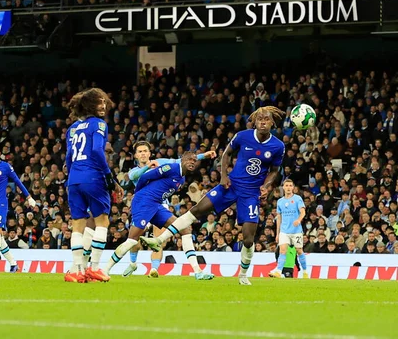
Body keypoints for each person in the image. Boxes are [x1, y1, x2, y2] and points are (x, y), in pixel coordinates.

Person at [141, 106, 285, 285]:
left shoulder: (278, 146)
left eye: (267, 119)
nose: (263, 122)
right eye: (260, 119)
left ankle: (243, 275)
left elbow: (274, 170)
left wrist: (267, 185)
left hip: (250, 193)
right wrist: (224, 175)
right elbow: (226, 154)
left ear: (272, 122)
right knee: (197, 210)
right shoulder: (243, 136)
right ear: (255, 121)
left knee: (248, 239)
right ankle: (159, 239)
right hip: (231, 184)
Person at [123, 141, 216, 280]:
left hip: (161, 204)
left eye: (145, 151)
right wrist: (147, 167)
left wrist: (204, 155)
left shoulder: (161, 162)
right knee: (134, 240)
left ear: (149, 153)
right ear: (136, 155)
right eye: (140, 151)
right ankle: (132, 263)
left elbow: (182, 161)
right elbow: (135, 177)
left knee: (164, 236)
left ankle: (155, 269)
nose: (143, 153)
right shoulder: (133, 171)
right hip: (142, 205)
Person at [64, 88, 123, 283]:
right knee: (102, 221)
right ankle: (95, 268)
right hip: (93, 177)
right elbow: (98, 151)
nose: (103, 106)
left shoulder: (72, 128)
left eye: (105, 102)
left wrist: (72, 178)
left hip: (74, 179)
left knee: (78, 226)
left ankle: (77, 271)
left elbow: (68, 158)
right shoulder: (98, 124)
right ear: (90, 105)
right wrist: (108, 176)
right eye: (99, 103)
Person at [105, 153, 197, 275]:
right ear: (183, 159)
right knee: (132, 240)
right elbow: (145, 177)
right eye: (189, 159)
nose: (192, 162)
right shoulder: (171, 168)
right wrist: (138, 195)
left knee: (184, 230)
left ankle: (198, 271)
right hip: (144, 201)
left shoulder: (182, 178)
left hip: (157, 205)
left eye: (194, 160)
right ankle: (105, 270)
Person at [0, 143, 36, 273]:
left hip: (1, 203)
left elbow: (17, 181)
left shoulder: (5, 166)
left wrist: (29, 197)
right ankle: (13, 264)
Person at [269, 179, 308, 279]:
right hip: (284, 231)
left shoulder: (297, 199)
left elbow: (303, 212)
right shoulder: (280, 201)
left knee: (299, 251)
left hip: (296, 231)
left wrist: (298, 220)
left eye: (290, 185)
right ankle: (278, 271)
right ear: (283, 187)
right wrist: (277, 233)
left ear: (293, 187)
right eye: (286, 185)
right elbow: (279, 218)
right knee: (282, 251)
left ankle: (305, 271)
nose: (289, 187)